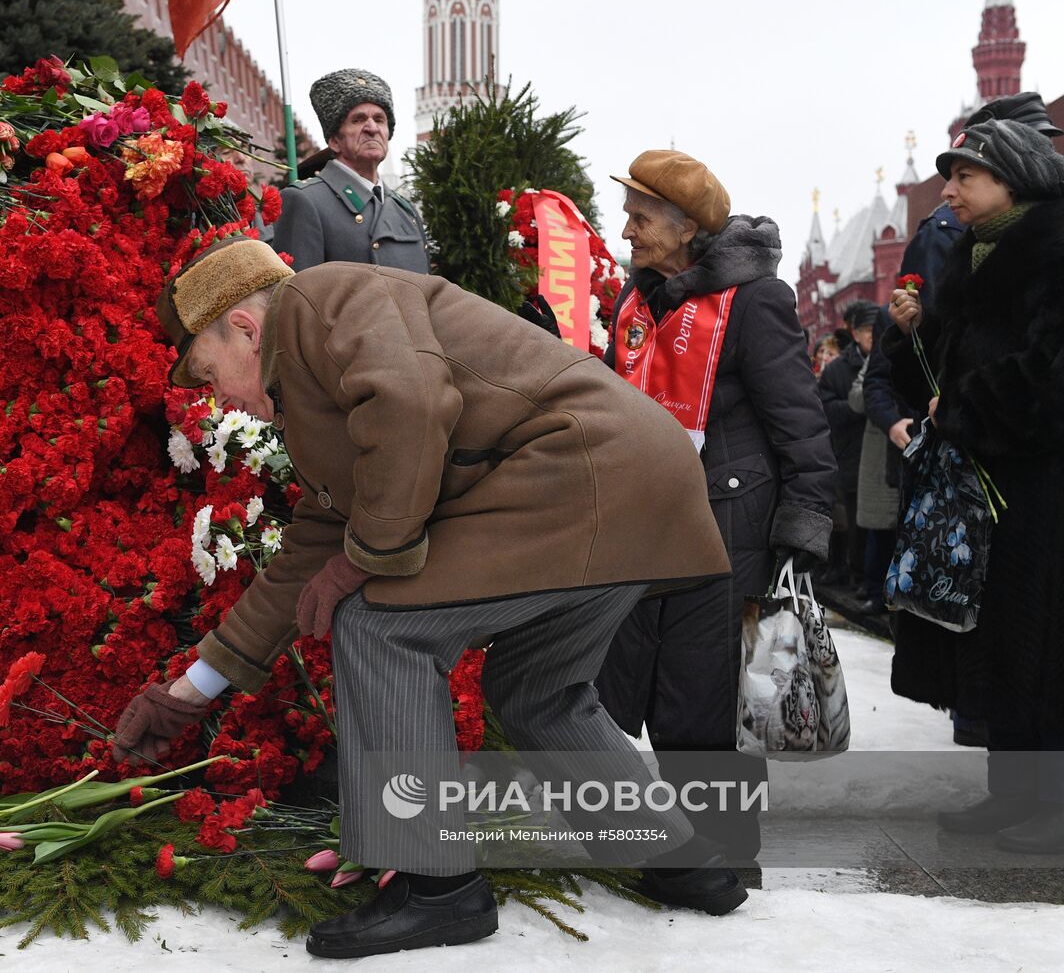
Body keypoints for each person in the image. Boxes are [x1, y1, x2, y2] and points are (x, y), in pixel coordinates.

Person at [112, 237, 748, 959]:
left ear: (247, 331)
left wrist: (366, 561)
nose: (213, 394)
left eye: (207, 369)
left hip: (583, 468)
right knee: (538, 691)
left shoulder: (324, 299)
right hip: (631, 481)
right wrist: (193, 687)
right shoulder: (310, 389)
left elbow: (413, 403)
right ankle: (685, 859)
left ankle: (439, 884)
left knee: (378, 625)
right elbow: (314, 544)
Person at [596, 150, 837, 866]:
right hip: (644, 524)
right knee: (632, 677)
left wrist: (802, 528)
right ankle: (662, 843)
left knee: (704, 697)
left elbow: (800, 419)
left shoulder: (755, 298)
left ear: (686, 226)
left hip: (726, 526)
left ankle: (725, 857)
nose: (627, 230)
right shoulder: (635, 302)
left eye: (640, 217)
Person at [884, 118, 1064, 853]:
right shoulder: (973, 254)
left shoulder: (1052, 251)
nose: (950, 191)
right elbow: (940, 367)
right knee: (1001, 637)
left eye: (966, 176)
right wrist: (911, 335)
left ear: (1012, 180)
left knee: (1047, 642)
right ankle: (1012, 791)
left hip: (1043, 481)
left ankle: (1053, 806)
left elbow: (1048, 374)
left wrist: (960, 407)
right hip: (988, 476)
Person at [270, 69, 430, 273]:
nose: (372, 128)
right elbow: (297, 299)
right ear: (335, 141)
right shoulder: (305, 201)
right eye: (358, 120)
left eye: (380, 119)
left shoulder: (406, 211)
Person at [849, 306, 906, 615]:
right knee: (881, 528)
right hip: (882, 448)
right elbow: (860, 396)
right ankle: (874, 589)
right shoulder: (877, 360)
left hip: (903, 446)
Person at [818, 301, 877, 588]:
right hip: (850, 457)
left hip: (881, 459)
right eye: (867, 331)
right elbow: (827, 409)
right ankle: (856, 576)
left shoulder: (887, 361)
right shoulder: (836, 371)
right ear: (855, 334)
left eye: (877, 330)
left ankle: (869, 580)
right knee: (853, 523)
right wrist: (860, 408)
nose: (873, 337)